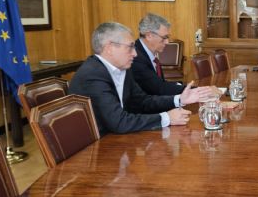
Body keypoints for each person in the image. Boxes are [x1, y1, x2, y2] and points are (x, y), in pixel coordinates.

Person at [69, 22, 213, 135]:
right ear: (109, 48)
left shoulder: (121, 68)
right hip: (97, 152)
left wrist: (180, 99)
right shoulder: (92, 75)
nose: (135, 54)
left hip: (119, 140)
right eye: (130, 47)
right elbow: (119, 122)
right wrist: (167, 118)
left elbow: (142, 101)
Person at [132, 13, 186, 96]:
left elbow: (159, 83)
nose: (167, 42)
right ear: (149, 35)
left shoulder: (149, 52)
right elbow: (159, 89)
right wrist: (197, 91)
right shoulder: (136, 57)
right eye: (164, 37)